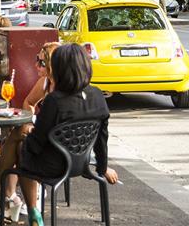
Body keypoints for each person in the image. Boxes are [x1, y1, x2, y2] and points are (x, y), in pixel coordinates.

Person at [17, 43, 118, 226]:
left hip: (52, 166)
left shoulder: (54, 100)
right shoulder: (97, 95)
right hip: (81, 163)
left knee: (18, 145)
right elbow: (102, 138)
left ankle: (20, 204)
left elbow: (36, 144)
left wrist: (26, 136)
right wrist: (102, 167)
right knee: (18, 143)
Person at [0, 42, 61, 212]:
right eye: (37, 59)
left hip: (56, 146)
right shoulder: (45, 82)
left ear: (54, 65)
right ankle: (10, 195)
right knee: (18, 142)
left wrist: (31, 127)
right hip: (44, 136)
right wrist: (31, 122)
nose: (36, 65)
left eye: (42, 62)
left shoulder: (64, 89)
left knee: (18, 139)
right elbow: (29, 102)